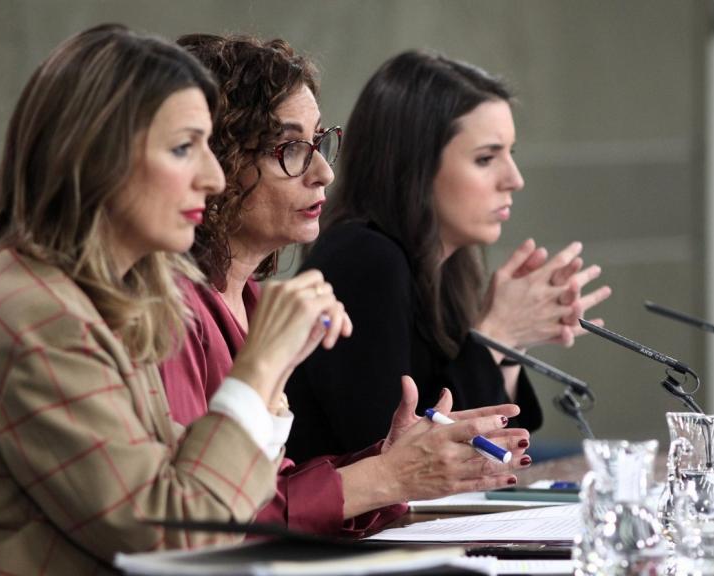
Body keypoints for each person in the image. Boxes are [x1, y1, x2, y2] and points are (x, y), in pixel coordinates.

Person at [0, 24, 352, 575]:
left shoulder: (96, 300)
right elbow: (176, 537)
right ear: (95, 160)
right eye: (182, 149)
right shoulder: (38, 314)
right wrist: (261, 367)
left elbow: (195, 482)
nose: (213, 177)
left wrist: (271, 373)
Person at [159, 34, 531, 537]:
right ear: (216, 161)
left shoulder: (254, 300)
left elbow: (270, 484)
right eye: (289, 148)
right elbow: (203, 514)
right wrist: (386, 475)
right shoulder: (169, 308)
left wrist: (391, 463)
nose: (323, 171)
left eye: (319, 142)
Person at [285, 50, 613, 463]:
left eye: (510, 153)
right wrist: (498, 334)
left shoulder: (448, 265)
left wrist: (513, 343)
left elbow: (498, 449)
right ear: (416, 165)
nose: (514, 179)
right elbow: (394, 458)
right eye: (486, 158)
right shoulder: (364, 259)